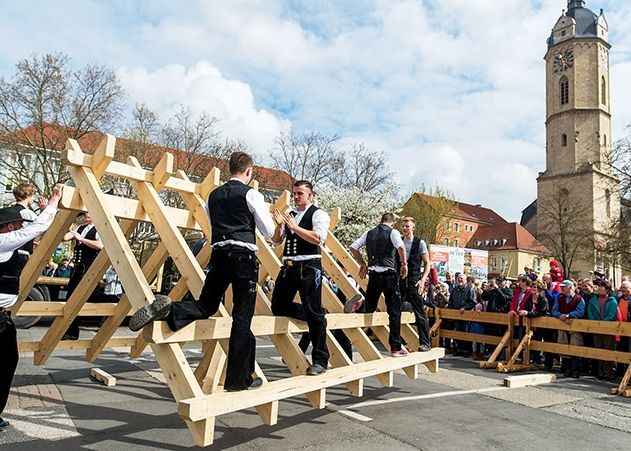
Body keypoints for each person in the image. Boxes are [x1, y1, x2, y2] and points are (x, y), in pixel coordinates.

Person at [130, 152, 275, 391]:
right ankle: (239, 379)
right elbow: (268, 232)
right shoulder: (251, 194)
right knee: (241, 317)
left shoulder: (213, 196)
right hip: (243, 256)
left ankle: (170, 309)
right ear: (249, 171)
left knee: (206, 304)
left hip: (219, 254)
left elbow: (211, 224)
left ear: (230, 169)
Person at [0, 184, 63, 429]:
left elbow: (35, 230)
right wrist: (55, 200)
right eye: (15, 224)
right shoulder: (3, 241)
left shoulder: (8, 242)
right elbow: (36, 227)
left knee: (8, 362)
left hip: (3, 318)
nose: (19, 227)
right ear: (6, 227)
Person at [270, 180, 331, 375]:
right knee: (278, 306)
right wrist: (281, 226)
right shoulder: (292, 215)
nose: (296, 197)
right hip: (289, 266)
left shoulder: (318, 214)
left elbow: (317, 238)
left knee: (313, 312)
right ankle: (317, 315)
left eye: (300, 194)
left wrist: (294, 227)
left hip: (309, 265)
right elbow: (276, 240)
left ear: (310, 196)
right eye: (294, 194)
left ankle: (320, 360)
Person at [350, 212, 409, 357]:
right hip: (389, 274)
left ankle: (359, 306)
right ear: (393, 222)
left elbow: (353, 247)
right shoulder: (393, 232)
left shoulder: (369, 233)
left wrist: (362, 263)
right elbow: (401, 247)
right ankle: (395, 348)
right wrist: (404, 264)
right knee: (394, 312)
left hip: (374, 274)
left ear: (380, 220)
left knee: (370, 306)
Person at [61, 212, 104, 340]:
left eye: (89, 212)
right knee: (72, 297)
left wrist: (81, 240)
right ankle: (71, 331)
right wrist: (67, 219)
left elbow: (100, 245)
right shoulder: (79, 228)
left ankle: (115, 302)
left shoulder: (99, 229)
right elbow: (65, 237)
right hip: (78, 267)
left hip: (90, 267)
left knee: (92, 296)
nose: (86, 214)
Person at [396, 217, 431, 352]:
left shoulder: (419, 243)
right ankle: (397, 341)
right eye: (403, 226)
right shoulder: (398, 241)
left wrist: (423, 280)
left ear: (413, 228)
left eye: (407, 226)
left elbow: (428, 263)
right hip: (400, 280)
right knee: (395, 310)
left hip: (414, 281)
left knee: (420, 313)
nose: (405, 229)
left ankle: (425, 343)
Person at [551, 280, 585, 378]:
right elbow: (554, 310)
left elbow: (580, 312)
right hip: (563, 326)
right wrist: (560, 316)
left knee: (575, 347)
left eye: (563, 287)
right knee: (564, 346)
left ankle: (575, 370)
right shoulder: (560, 298)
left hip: (575, 327)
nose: (562, 289)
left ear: (570, 287)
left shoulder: (579, 299)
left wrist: (568, 315)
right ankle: (566, 369)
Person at [586, 279, 618, 380]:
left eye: (601, 287)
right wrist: (595, 324)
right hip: (596, 329)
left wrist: (603, 324)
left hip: (608, 329)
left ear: (607, 289)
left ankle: (608, 373)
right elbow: (590, 312)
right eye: (598, 286)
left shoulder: (612, 301)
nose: (599, 288)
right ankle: (600, 372)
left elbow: (612, 315)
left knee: (608, 351)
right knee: (599, 350)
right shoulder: (593, 300)